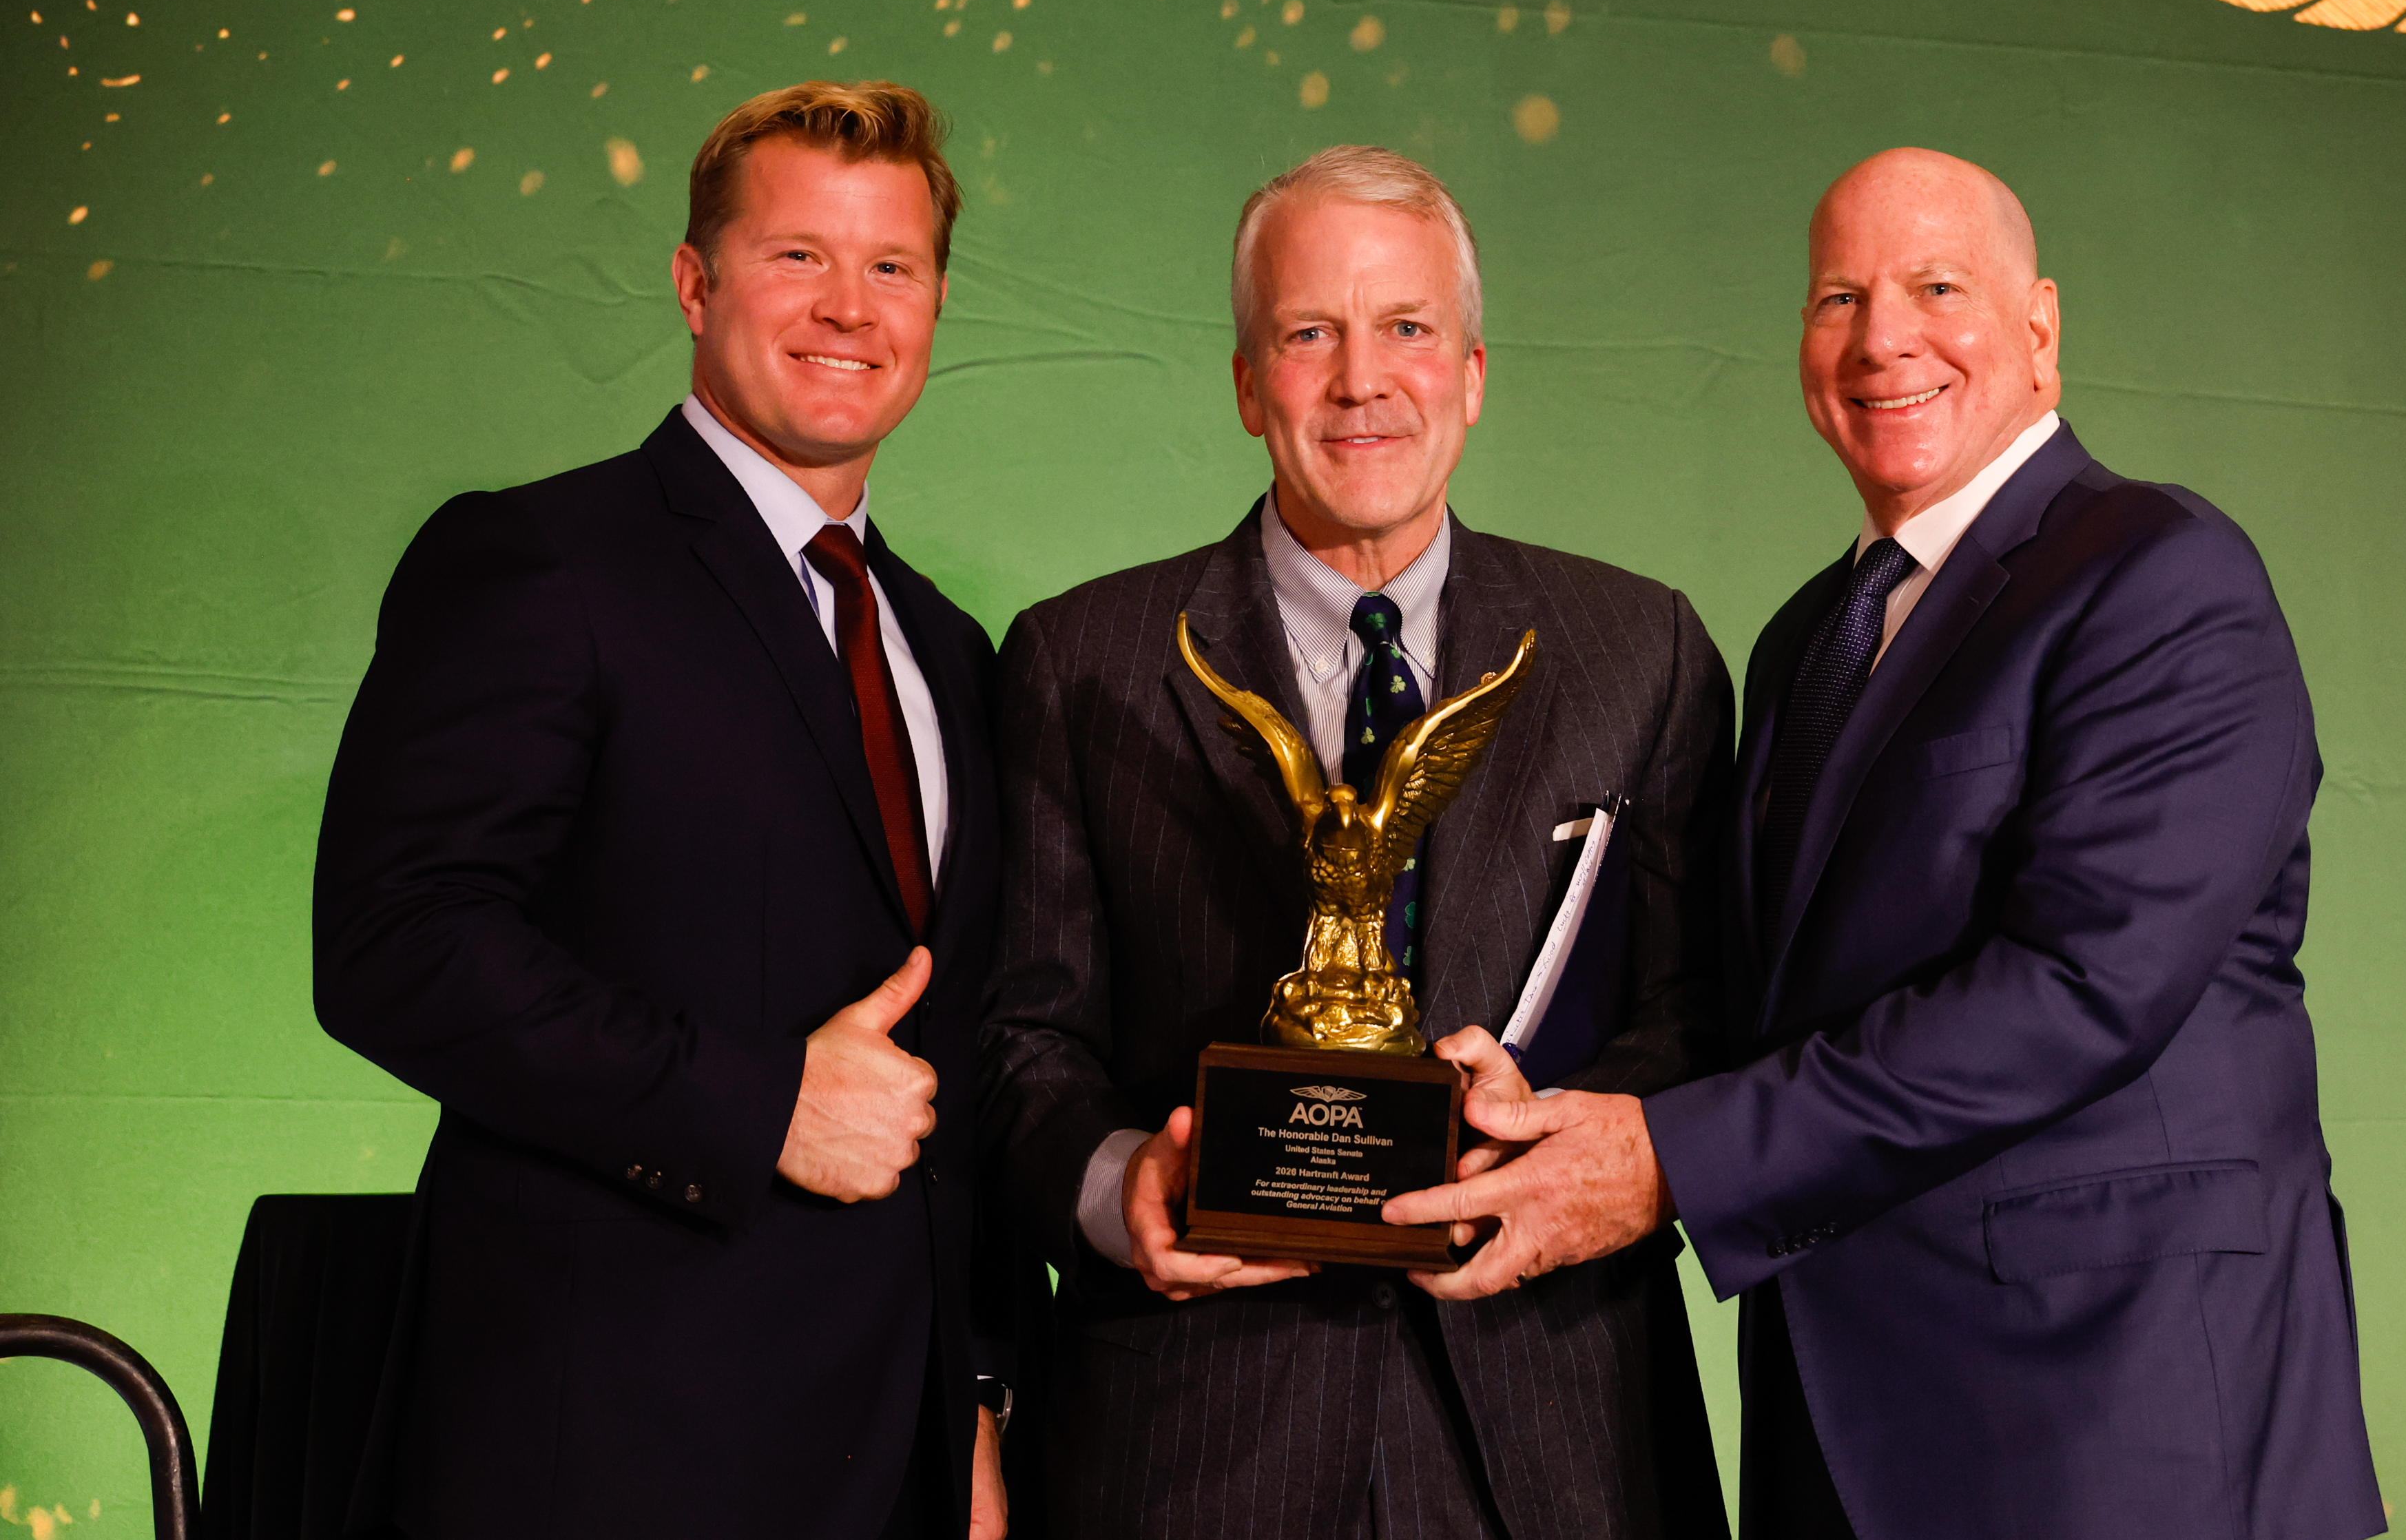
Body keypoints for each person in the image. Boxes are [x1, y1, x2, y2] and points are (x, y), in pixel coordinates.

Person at [1386, 148, 2386, 1539]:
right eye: (1837, 297)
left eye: (1934, 287)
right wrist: (1535, 1104)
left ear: (2038, 328)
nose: (1879, 339)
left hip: (2111, 1423)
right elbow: (1760, 1009)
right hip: (1839, 1428)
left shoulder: (2158, 575)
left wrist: (1668, 1158)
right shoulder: (1811, 636)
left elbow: (2076, 990)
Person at [979, 145, 1734, 1540]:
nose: (1359, 378)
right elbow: (1023, 1042)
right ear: (1245, 380)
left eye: (1405, 329)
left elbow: (1700, 1015)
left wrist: (1557, 1135)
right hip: (1190, 1443)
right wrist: (1117, 1182)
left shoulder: (1646, 651)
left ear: (1472, 371)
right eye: (1307, 331)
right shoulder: (1077, 663)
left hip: (1555, 1437)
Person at [316, 81, 1010, 1538]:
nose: (849, 306)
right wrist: (760, 1103)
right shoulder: (539, 560)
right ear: (696, 284)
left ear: (937, 304)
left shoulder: (945, 648)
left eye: (892, 266)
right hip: (609, 1450)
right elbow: (398, 938)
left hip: (896, 1454)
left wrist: (978, 1399)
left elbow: (962, 1051)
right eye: (795, 256)